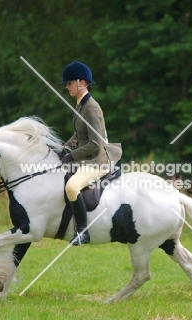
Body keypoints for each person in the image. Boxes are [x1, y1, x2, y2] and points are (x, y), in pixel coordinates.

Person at [58, 60, 122, 245]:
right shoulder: (81, 105)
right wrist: (65, 147)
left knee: (72, 187)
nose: (67, 87)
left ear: (82, 83)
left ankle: (82, 231)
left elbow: (95, 142)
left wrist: (72, 155)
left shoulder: (91, 107)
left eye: (69, 83)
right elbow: (79, 134)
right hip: (87, 158)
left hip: (97, 160)